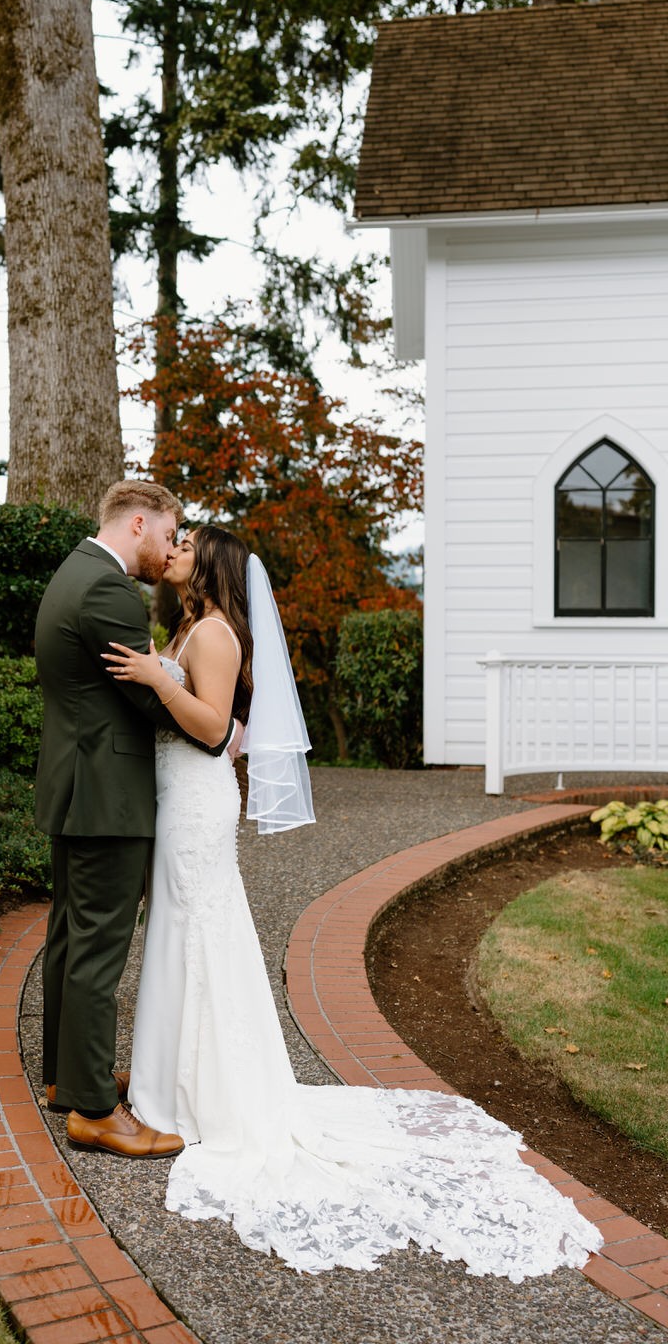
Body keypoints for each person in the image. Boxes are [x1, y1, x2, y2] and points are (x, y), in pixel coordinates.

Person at [102, 525, 603, 1278]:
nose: (172, 549)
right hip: (177, 795)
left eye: (188, 542)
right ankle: (167, 1083)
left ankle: (201, 1097)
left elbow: (211, 730)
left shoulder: (215, 634)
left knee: (198, 931)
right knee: (182, 932)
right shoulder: (187, 625)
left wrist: (158, 680)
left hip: (196, 800)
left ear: (212, 564)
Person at [34, 482, 234, 1160]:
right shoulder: (110, 591)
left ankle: (69, 1076)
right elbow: (148, 701)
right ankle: (94, 1111)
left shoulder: (72, 573)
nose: (172, 547)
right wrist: (211, 726)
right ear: (141, 523)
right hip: (108, 795)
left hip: (75, 785)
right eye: (170, 532)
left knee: (70, 935)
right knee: (96, 949)